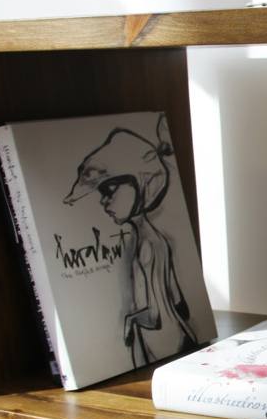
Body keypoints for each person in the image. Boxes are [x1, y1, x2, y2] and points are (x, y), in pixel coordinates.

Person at [62, 113, 197, 367]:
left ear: (136, 184)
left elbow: (153, 317)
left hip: (161, 344)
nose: (104, 202)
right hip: (180, 335)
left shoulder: (143, 245)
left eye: (109, 191)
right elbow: (179, 302)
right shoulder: (158, 239)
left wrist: (129, 322)